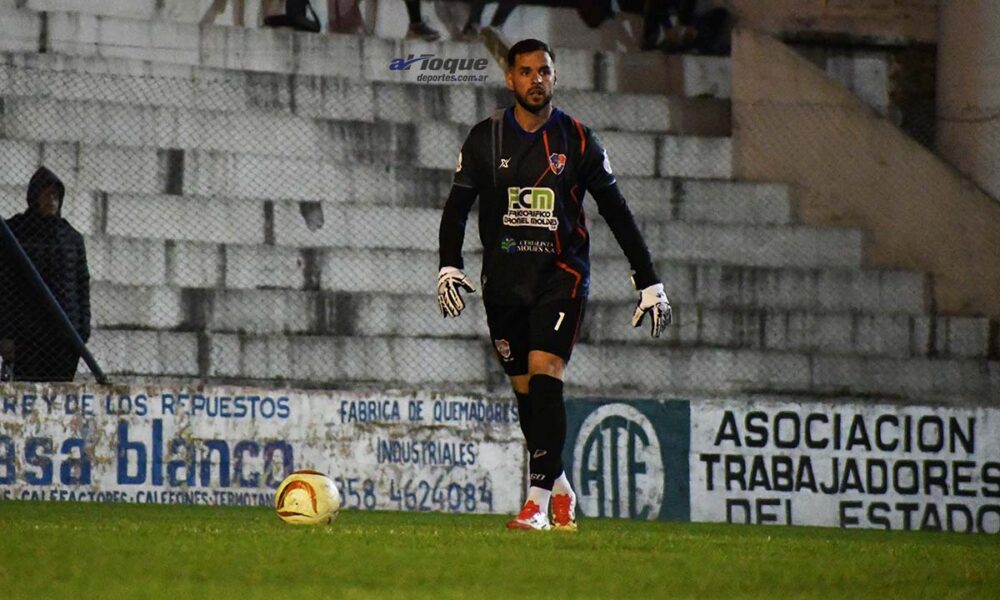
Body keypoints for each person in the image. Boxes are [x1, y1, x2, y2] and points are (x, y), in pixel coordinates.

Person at [436, 39, 671, 531]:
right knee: (526, 391)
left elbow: (617, 211)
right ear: (510, 79)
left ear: (555, 77)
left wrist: (648, 280)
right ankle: (560, 487)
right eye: (525, 71)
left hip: (561, 277)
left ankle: (536, 503)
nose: (535, 80)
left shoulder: (579, 140)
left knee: (546, 372)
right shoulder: (485, 138)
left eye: (543, 71)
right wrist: (448, 265)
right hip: (504, 282)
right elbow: (456, 208)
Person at [0, 167, 91, 382]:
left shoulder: (71, 238)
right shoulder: (15, 232)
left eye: (56, 195)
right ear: (35, 197)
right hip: (26, 336)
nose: (52, 200)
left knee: (60, 392)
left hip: (64, 337)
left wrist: (82, 330)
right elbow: (4, 286)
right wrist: (5, 334)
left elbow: (82, 285)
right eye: (46, 194)